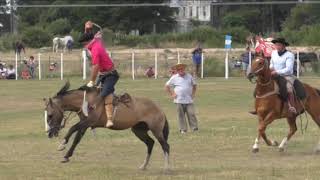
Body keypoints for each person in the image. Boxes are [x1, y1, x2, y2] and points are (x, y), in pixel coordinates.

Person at [80, 20, 119, 128]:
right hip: (103, 75)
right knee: (94, 92)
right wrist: (87, 27)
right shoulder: (94, 41)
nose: (84, 46)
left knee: (104, 94)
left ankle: (110, 119)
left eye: (84, 44)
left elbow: (95, 67)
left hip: (111, 75)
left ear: (87, 42)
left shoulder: (96, 49)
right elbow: (90, 35)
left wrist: (92, 81)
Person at [250, 37, 296, 115]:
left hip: (286, 76)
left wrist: (277, 72)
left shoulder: (289, 55)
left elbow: (289, 69)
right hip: (273, 74)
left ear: (283, 46)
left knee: (288, 89)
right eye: (276, 45)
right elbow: (271, 64)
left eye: (279, 45)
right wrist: (270, 69)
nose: (277, 46)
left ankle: (291, 107)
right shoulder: (274, 53)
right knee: (258, 88)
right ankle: (257, 108)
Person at [165, 63, 198, 134]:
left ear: (184, 69)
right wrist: (172, 94)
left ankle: (194, 128)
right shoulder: (174, 77)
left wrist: (193, 94)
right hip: (178, 100)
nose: (181, 70)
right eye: (179, 69)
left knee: (191, 113)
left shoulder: (189, 76)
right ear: (177, 70)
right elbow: (167, 86)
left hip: (189, 100)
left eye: (182, 69)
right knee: (181, 115)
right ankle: (183, 129)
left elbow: (194, 85)